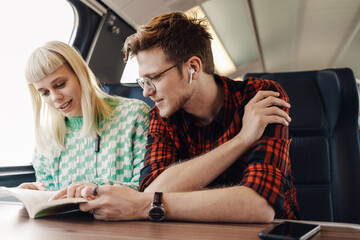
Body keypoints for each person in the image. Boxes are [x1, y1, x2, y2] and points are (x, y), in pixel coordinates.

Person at [79, 11, 301, 222]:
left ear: (192, 68)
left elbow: (258, 206)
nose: (146, 91)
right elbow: (151, 190)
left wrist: (146, 205)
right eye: (143, 81)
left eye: (154, 78)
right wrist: (241, 140)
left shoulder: (260, 96)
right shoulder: (162, 114)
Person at [18, 41, 150, 197]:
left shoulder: (133, 115)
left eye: (60, 84)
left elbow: (147, 189)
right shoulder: (47, 139)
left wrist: (95, 188)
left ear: (81, 74)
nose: (55, 98)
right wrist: (36, 194)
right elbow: (50, 199)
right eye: (45, 93)